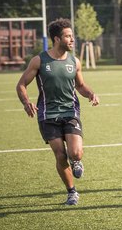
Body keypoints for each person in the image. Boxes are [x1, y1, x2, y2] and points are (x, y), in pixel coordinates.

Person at [16, 18, 100, 206]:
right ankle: (71, 192)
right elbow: (21, 84)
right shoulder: (39, 60)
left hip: (70, 111)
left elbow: (80, 85)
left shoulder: (74, 61)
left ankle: (77, 161)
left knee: (76, 153)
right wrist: (26, 101)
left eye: (72, 36)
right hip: (47, 114)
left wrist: (91, 94)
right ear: (56, 39)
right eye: (68, 36)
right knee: (60, 155)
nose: (72, 40)